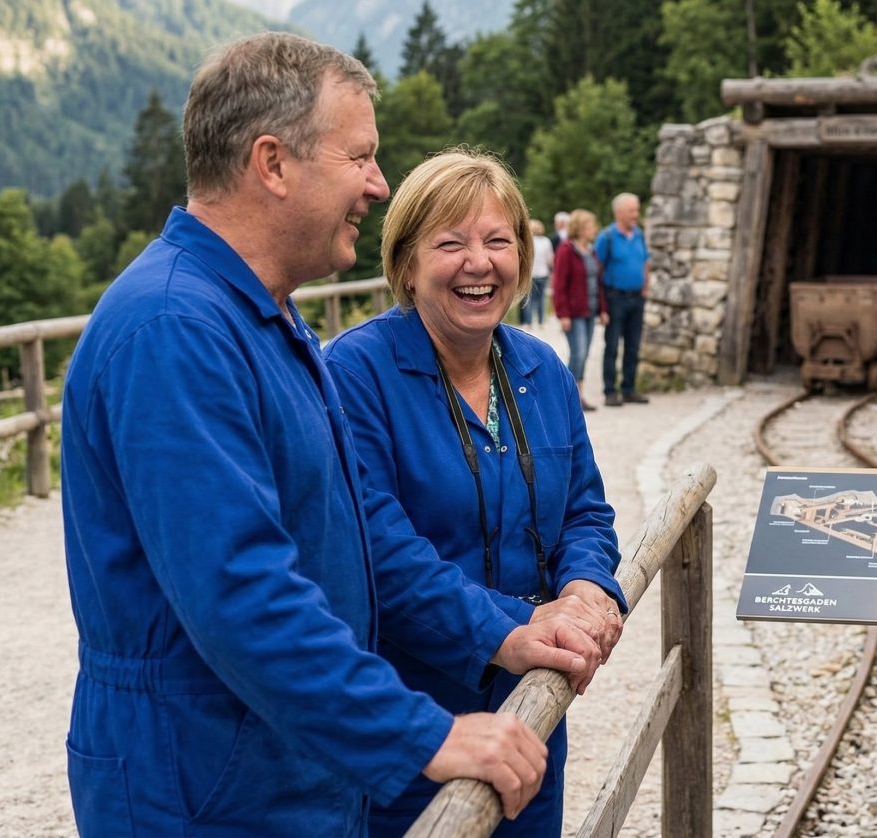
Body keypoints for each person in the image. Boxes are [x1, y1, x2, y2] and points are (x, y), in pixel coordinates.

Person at [60, 33, 603, 836]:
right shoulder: (176, 328)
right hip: (206, 789)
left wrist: (531, 621)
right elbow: (239, 593)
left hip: (280, 769)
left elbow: (347, 538)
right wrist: (425, 731)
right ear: (273, 164)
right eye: (359, 158)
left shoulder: (262, 318)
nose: (378, 185)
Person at [324, 149, 626, 836]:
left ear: (522, 256)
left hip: (532, 708)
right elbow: (380, 552)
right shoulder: (355, 375)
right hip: (413, 720)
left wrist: (585, 586)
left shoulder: (541, 370)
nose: (478, 262)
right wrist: (511, 630)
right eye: (450, 243)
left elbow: (584, 509)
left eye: (497, 241)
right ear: (405, 263)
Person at [595, 192, 650, 406]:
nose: (636, 214)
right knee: (612, 345)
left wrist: (645, 287)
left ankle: (629, 388)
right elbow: (597, 269)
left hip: (637, 299)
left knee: (633, 345)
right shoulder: (606, 237)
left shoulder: (640, 235)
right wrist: (601, 305)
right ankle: (610, 391)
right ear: (619, 213)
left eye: (637, 210)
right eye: (632, 210)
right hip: (615, 297)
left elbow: (646, 262)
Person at [553, 208, 609, 411]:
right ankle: (565, 396)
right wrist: (563, 313)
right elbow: (559, 284)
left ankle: (578, 397)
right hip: (574, 312)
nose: (594, 229)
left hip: (590, 310)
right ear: (581, 228)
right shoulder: (566, 250)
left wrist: (603, 309)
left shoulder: (591, 251)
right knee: (578, 353)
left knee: (585, 355)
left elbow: (597, 282)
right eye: (590, 226)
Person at [520, 218, 552, 328]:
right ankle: (541, 321)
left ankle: (528, 322)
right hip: (543, 273)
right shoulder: (546, 241)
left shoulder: (528, 241)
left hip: (530, 274)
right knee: (541, 299)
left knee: (529, 299)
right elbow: (550, 259)